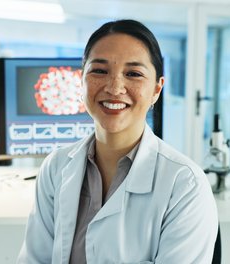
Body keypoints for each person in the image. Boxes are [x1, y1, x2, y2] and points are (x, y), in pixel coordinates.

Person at [17, 19, 218, 263]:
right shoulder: (56, 167)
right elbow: (34, 259)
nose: (114, 88)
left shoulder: (186, 185)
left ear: (156, 89)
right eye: (100, 71)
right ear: (82, 81)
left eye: (133, 74)